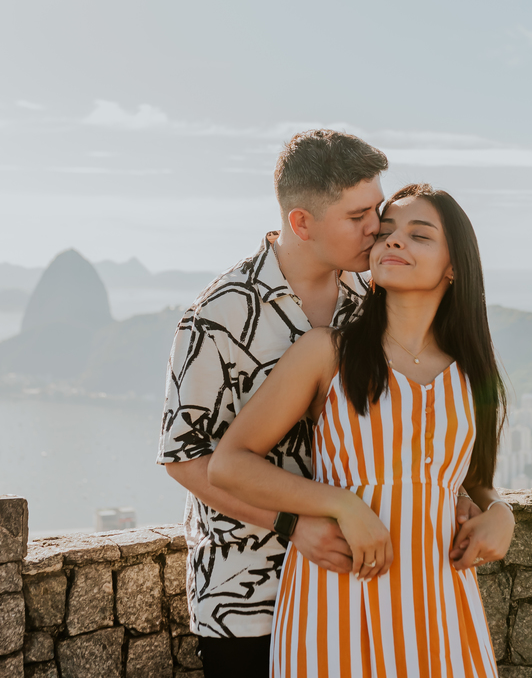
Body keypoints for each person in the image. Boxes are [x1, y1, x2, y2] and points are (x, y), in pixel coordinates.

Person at [211, 183, 515, 677]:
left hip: (441, 607)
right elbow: (230, 463)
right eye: (387, 232)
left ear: (454, 265)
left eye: (420, 236)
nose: (393, 242)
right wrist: (342, 503)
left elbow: (472, 478)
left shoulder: (471, 373)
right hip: (337, 602)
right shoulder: (326, 352)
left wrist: (501, 512)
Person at [160, 130, 432, 676]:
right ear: (302, 223)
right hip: (246, 597)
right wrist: (292, 522)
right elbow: (184, 458)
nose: (375, 227)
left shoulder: (370, 301)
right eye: (357, 216)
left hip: (350, 585)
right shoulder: (219, 316)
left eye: (376, 209)